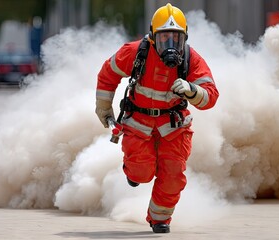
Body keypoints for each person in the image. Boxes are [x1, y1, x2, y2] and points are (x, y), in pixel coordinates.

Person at [95, 3, 219, 234]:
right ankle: (133, 172)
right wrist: (103, 106)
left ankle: (159, 219)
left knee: (173, 174)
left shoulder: (191, 59)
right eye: (164, 38)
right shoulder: (134, 52)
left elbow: (211, 97)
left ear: (185, 38)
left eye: (176, 38)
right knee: (140, 172)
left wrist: (192, 90)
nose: (170, 44)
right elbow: (107, 73)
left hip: (174, 127)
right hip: (138, 123)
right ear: (153, 37)